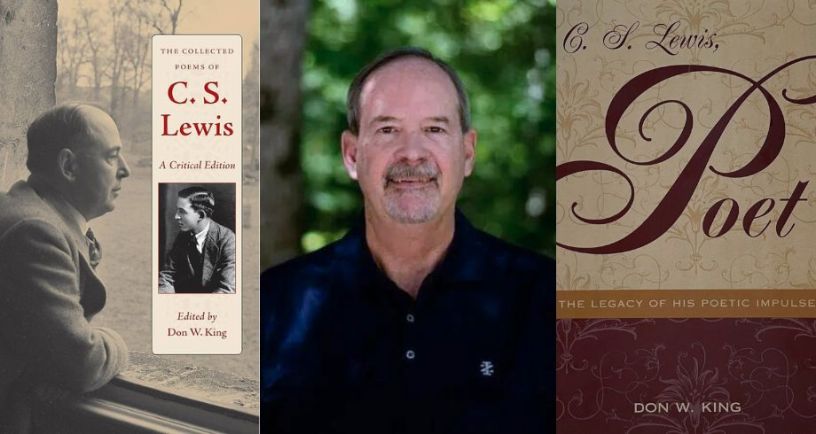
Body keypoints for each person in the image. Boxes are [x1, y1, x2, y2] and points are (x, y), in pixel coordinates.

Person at [261, 47, 555, 433]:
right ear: (352, 155)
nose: (413, 154)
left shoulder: (550, 303)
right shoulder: (271, 308)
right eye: (387, 130)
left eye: (434, 129)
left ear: (467, 152)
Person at [0, 103, 131, 432]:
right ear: (69, 166)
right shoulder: (35, 232)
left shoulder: (23, 209)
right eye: (112, 156)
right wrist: (116, 342)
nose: (125, 169)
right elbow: (80, 363)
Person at [158, 186, 236, 294]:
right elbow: (167, 275)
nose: (176, 216)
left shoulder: (228, 239)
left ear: (200, 215)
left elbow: (227, 288)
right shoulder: (183, 236)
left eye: (182, 211)